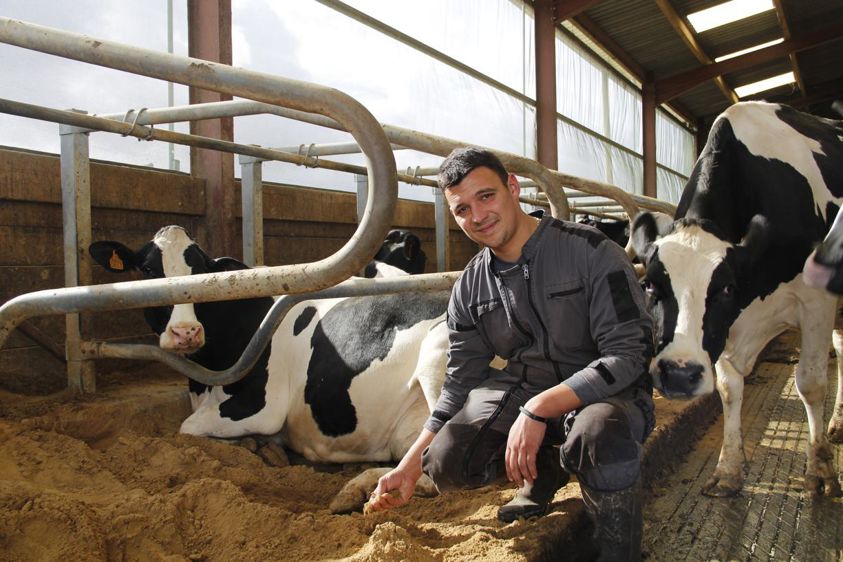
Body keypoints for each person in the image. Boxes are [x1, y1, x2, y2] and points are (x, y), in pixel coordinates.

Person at [368, 147, 655, 561]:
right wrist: (410, 465)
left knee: (598, 433)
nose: (478, 216)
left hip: (608, 396)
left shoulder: (590, 251)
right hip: (525, 393)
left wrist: (541, 407)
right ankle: (545, 469)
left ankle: (618, 551)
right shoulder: (470, 287)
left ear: (514, 188)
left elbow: (629, 355)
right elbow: (458, 385)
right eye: (462, 209)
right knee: (448, 458)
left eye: (486, 196)